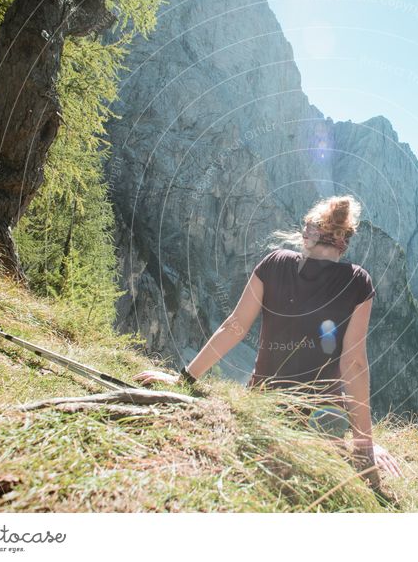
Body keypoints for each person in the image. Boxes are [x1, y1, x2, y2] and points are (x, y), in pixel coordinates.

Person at [133, 195, 402, 488]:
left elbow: (235, 327)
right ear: (344, 241)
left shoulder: (274, 264)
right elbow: (354, 363)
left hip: (263, 410)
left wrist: (183, 380)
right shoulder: (358, 281)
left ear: (307, 235)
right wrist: (364, 448)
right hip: (321, 427)